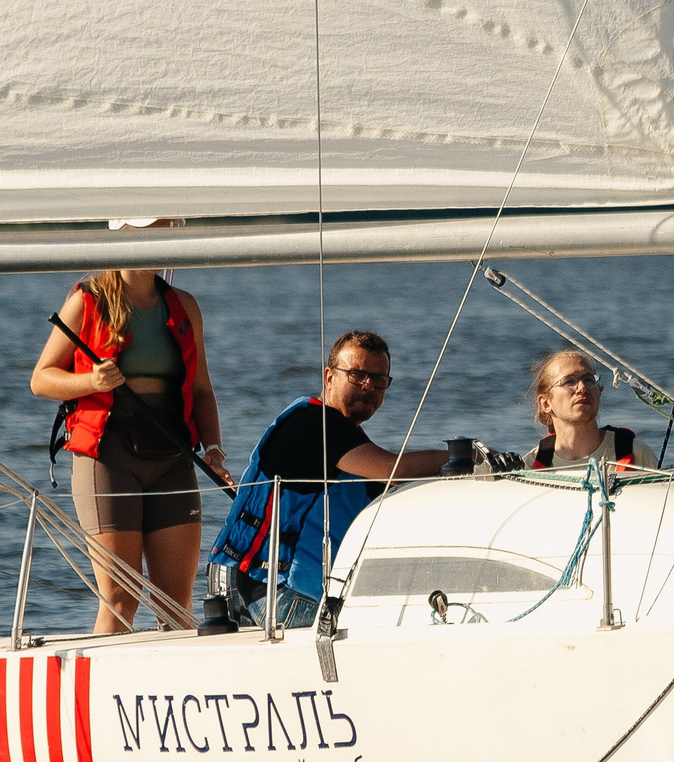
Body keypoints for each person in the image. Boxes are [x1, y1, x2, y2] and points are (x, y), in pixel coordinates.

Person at [208, 330, 455, 628]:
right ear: (329, 377)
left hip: (257, 587)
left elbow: (393, 487)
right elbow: (393, 468)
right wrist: (465, 456)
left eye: (379, 380)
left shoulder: (346, 439)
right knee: (408, 623)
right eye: (357, 375)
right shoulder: (315, 424)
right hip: (278, 593)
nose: (368, 386)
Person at [31, 253, 223, 633]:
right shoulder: (86, 300)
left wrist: (214, 451)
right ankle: (102, 689)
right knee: (121, 599)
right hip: (107, 457)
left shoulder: (184, 306)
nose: (165, 238)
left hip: (172, 456)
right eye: (155, 228)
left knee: (176, 602)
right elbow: (41, 379)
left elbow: (202, 390)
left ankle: (174, 690)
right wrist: (91, 382)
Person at [528, 348, 638, 470]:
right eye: (569, 382)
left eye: (589, 380)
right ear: (546, 404)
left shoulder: (636, 454)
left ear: (598, 394)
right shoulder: (528, 467)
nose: (582, 388)